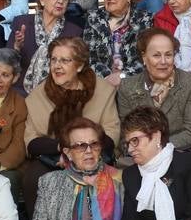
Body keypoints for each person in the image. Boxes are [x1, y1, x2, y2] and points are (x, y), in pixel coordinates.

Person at [24, 36, 121, 164]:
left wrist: (82, 152)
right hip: (53, 157)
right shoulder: (37, 96)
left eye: (65, 61)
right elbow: (31, 141)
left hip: (94, 155)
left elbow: (111, 132)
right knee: (32, 178)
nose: (57, 66)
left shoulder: (103, 90)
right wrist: (62, 151)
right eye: (53, 60)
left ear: (79, 65)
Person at [116, 27, 191, 155]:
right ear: (144, 58)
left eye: (168, 55)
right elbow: (125, 135)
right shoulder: (127, 86)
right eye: (156, 55)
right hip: (141, 156)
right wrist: (145, 150)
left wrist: (157, 147)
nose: (163, 61)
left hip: (182, 152)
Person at [83, 0, 155, 87]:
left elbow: (147, 57)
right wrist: (107, 77)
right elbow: (88, 57)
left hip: (134, 83)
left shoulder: (144, 19)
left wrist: (123, 76)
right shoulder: (94, 18)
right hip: (101, 83)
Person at [12, 0, 83, 93]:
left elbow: (76, 69)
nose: (61, 1)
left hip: (57, 92)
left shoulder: (74, 32)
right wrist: (16, 47)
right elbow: (6, 63)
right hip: (20, 90)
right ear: (42, 0)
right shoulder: (22, 23)